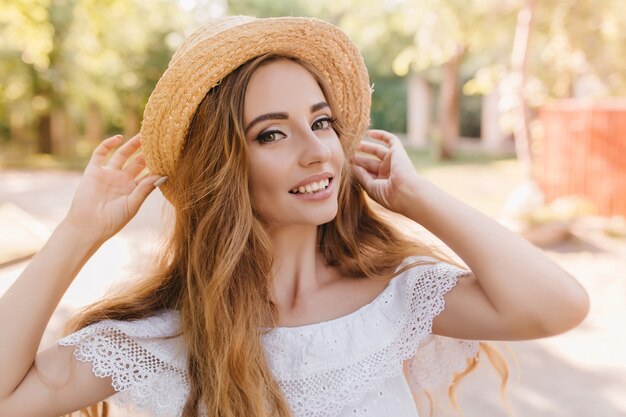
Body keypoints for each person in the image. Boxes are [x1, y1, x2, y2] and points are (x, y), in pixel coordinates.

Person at [0, 15, 589, 417]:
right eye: (272, 133)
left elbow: (558, 305)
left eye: (323, 121)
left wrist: (417, 196)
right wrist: (77, 234)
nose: (316, 150)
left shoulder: (394, 300)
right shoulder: (164, 338)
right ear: (224, 168)